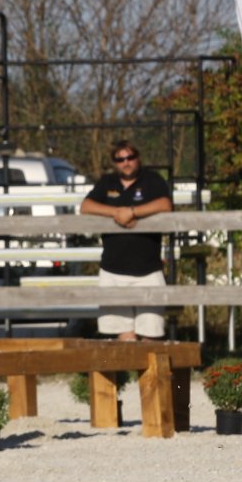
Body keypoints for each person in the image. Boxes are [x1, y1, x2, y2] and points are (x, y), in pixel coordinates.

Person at [80, 141, 173, 341]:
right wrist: (116, 213)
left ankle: (149, 373)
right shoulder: (107, 182)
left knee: (151, 334)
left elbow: (165, 204)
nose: (126, 163)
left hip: (148, 270)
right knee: (125, 338)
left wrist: (132, 212)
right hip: (113, 270)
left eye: (130, 157)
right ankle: (130, 372)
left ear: (138, 158)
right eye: (120, 159)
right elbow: (86, 206)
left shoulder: (152, 180)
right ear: (115, 163)